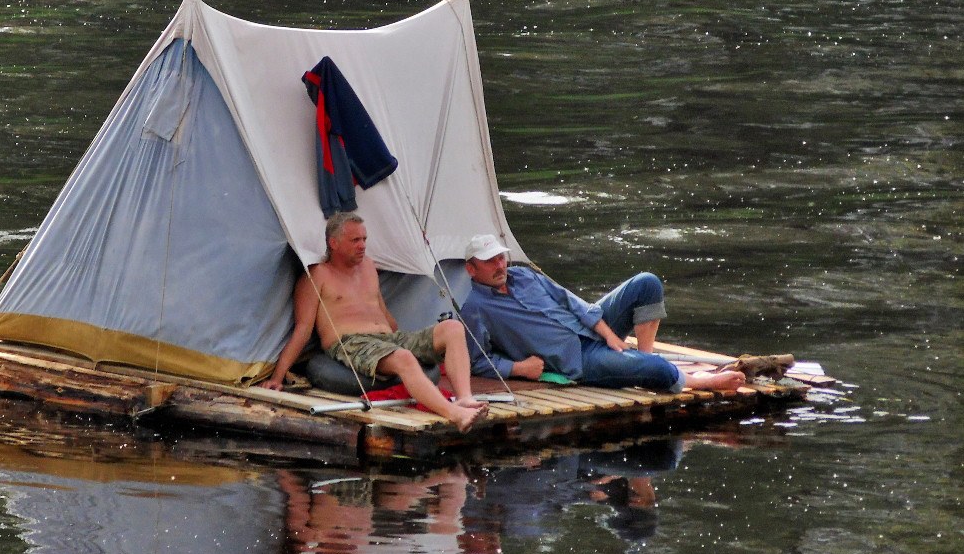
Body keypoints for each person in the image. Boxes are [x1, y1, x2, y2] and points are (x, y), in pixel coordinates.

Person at [265, 213, 489, 432]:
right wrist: (277, 377)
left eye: (364, 239)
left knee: (453, 328)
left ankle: (465, 399)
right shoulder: (317, 276)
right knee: (404, 358)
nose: (362, 245)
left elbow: (382, 311)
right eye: (355, 240)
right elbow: (302, 330)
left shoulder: (368, 266)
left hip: (387, 339)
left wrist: (406, 341)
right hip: (352, 343)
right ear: (334, 243)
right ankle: (455, 415)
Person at [459, 234, 747, 393]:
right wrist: (519, 369)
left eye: (500, 257)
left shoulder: (523, 275)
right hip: (577, 357)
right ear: (471, 269)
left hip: (593, 328)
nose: (499, 265)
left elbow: (572, 302)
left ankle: (644, 356)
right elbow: (477, 362)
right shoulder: (475, 309)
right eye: (489, 261)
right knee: (655, 369)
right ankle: (695, 382)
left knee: (646, 283)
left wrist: (608, 334)